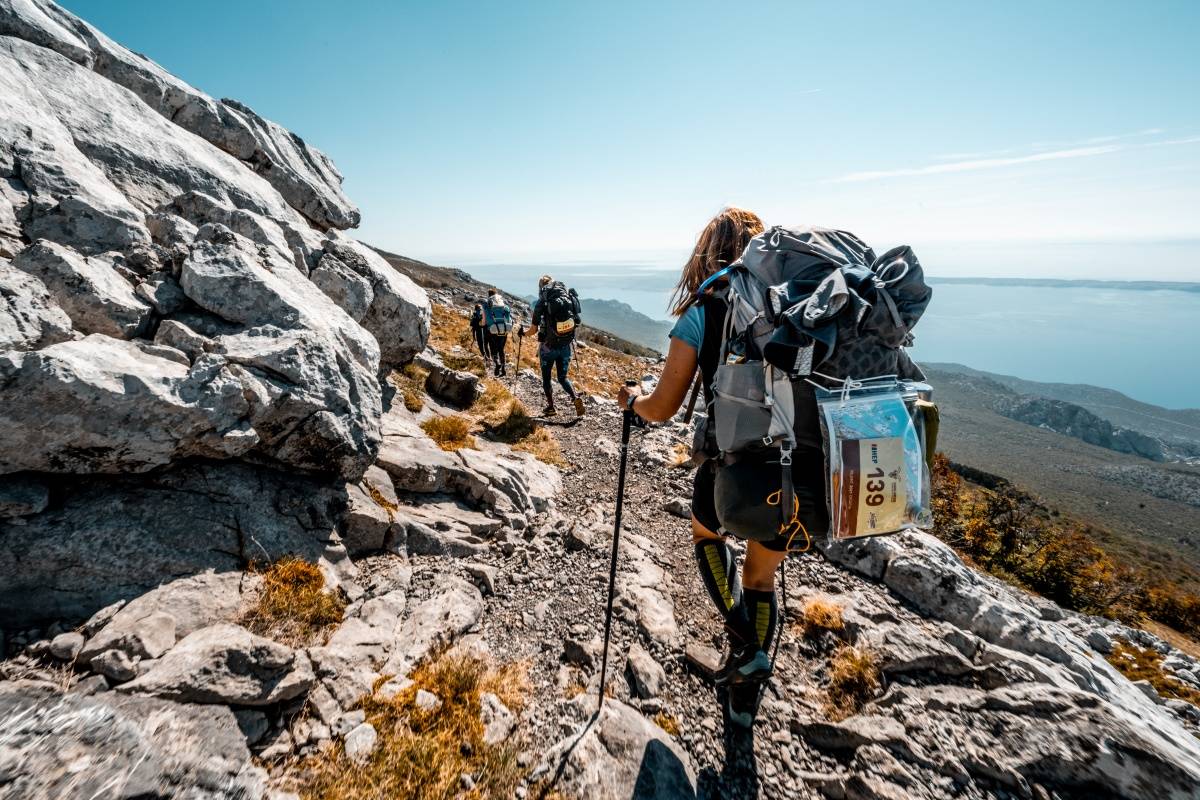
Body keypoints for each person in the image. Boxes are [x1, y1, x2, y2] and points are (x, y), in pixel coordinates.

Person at [616, 207, 825, 728]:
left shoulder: (707, 306)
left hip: (730, 464)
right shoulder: (801, 303)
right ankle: (744, 700)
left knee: (707, 536)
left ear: (708, 250)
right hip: (803, 472)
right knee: (760, 578)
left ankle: (745, 646)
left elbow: (662, 408)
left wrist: (632, 400)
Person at [519, 274, 585, 418]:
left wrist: (522, 333)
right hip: (566, 345)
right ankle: (575, 398)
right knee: (562, 377)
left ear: (541, 287)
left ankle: (551, 407)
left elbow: (533, 330)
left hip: (548, 347)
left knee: (547, 378)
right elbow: (577, 320)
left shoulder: (542, 302)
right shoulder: (567, 297)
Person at [483, 288, 512, 377]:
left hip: (492, 330)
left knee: (493, 349)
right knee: (501, 349)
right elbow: (509, 319)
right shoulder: (504, 306)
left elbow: (484, 321)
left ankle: (497, 363)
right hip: (504, 330)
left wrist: (482, 324)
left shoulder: (487, 306)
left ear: (489, 295)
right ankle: (503, 368)